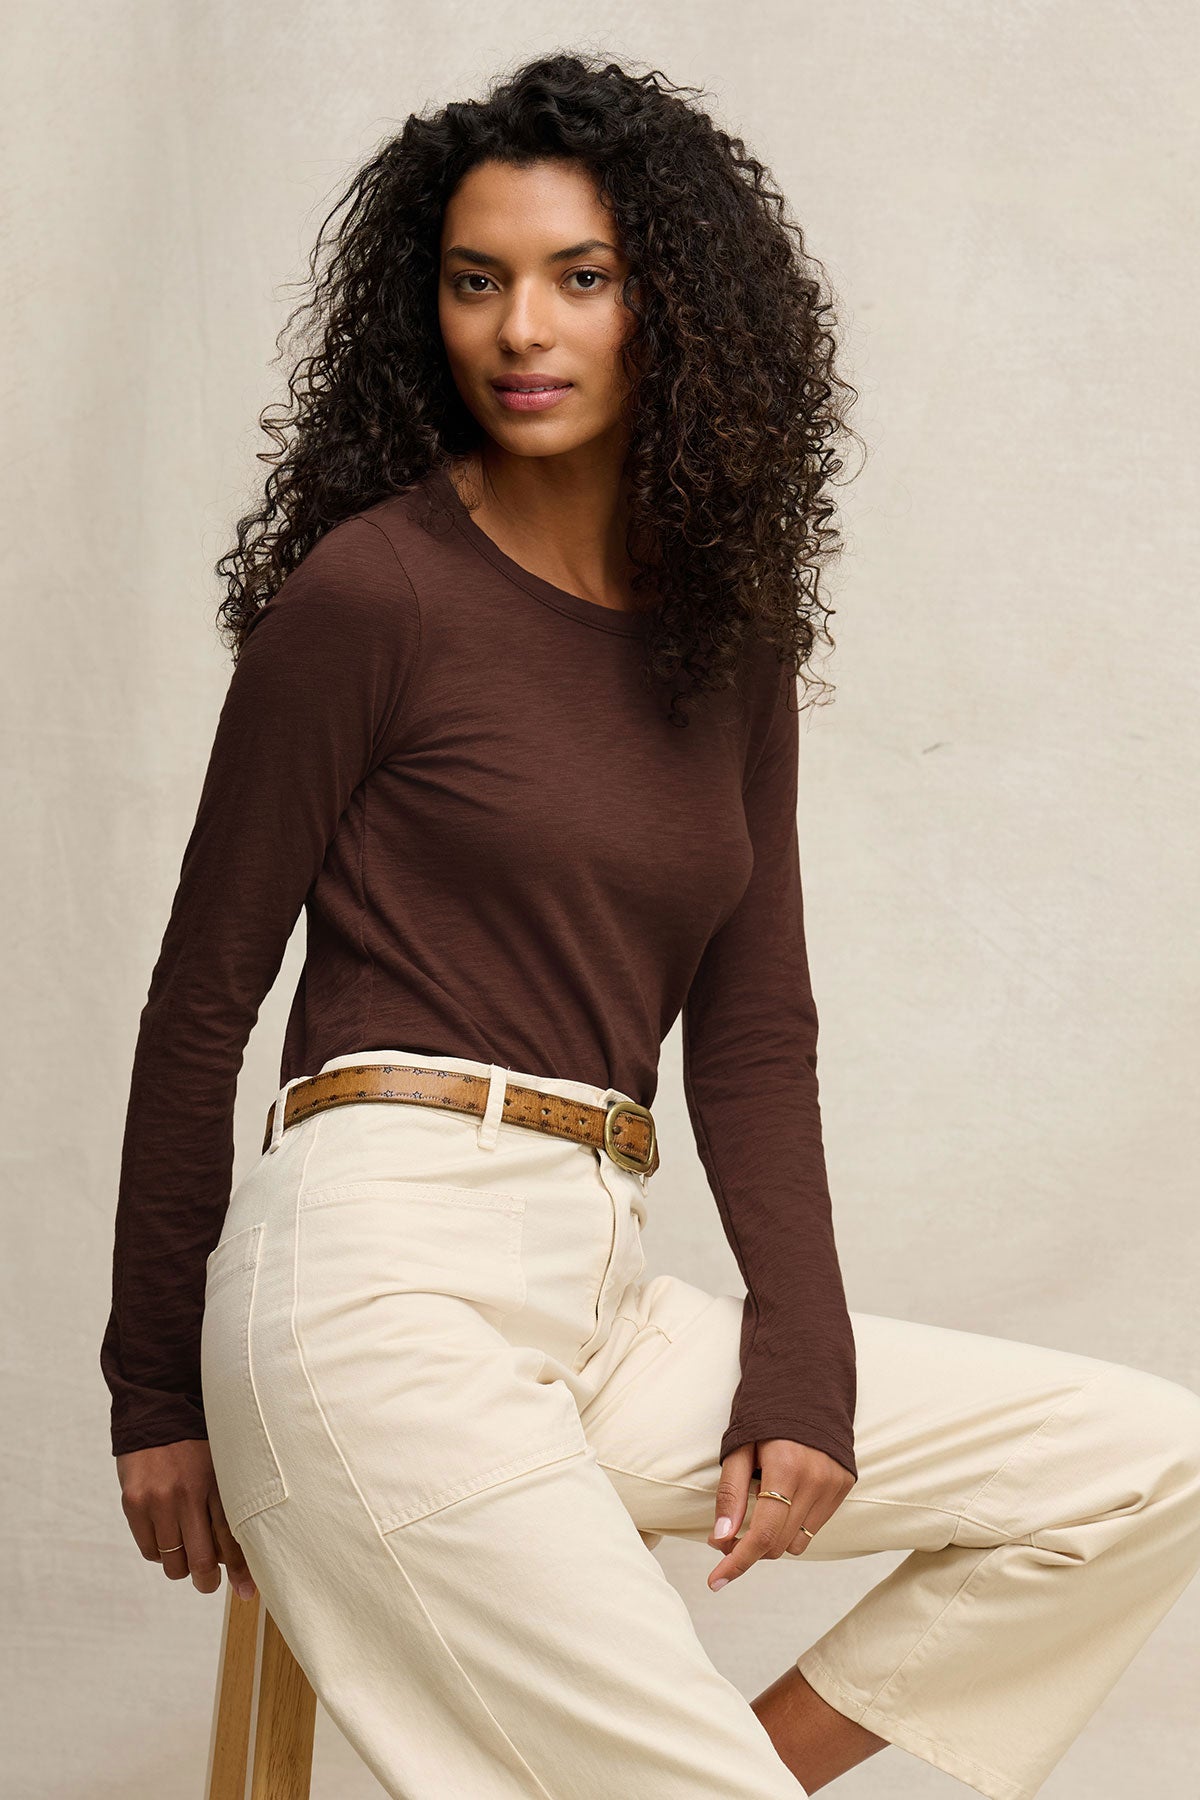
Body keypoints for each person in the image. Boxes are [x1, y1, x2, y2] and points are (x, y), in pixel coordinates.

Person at [101, 51, 1200, 1800]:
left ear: (669, 308)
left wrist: (806, 1358)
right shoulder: (372, 592)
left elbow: (756, 1024)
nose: (520, 328)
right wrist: (150, 1384)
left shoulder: (724, 635)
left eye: (578, 277)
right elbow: (199, 1001)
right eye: (476, 280)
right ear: (428, 311)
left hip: (600, 1286)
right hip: (376, 1276)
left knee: (1147, 1463)